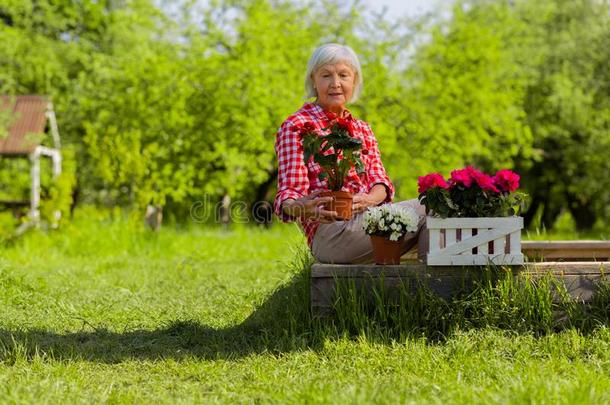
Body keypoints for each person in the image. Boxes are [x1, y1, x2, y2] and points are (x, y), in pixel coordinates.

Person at [273, 43, 425, 264]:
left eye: (343, 75)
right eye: (326, 75)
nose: (335, 83)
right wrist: (300, 208)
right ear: (313, 81)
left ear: (354, 81)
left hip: (371, 221)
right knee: (431, 204)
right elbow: (289, 193)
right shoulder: (296, 126)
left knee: (436, 220)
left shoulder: (362, 128)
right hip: (331, 234)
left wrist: (368, 200)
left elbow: (380, 181)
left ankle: (430, 288)